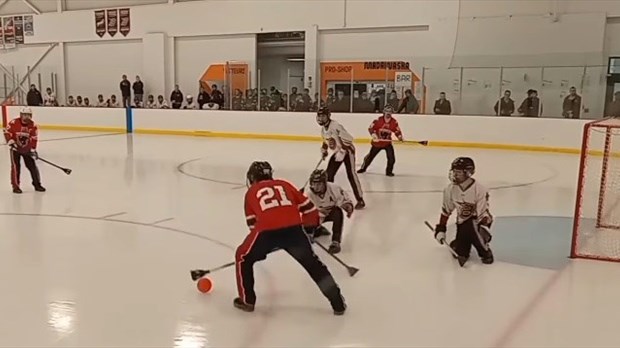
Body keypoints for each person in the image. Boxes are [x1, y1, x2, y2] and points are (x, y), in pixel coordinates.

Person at [235, 161, 346, 315]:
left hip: (266, 233)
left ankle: (247, 300)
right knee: (314, 265)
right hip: (294, 232)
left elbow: (253, 226)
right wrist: (308, 231)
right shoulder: (284, 185)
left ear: (252, 178)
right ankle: (338, 303)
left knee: (242, 256)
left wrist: (263, 249)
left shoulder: (251, 192)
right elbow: (311, 211)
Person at [433, 157, 493, 266]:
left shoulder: (479, 190)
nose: (455, 175)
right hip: (462, 222)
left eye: (459, 172)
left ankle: (485, 250)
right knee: (461, 252)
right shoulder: (450, 190)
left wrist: (483, 232)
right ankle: (460, 242)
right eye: (454, 171)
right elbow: (446, 210)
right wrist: (441, 228)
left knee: (472, 228)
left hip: (478, 222)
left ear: (468, 173)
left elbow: (482, 214)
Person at [317, 106, 365, 209]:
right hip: (338, 151)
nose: (321, 118)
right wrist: (324, 150)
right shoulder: (323, 129)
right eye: (319, 116)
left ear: (328, 116)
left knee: (351, 174)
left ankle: (360, 199)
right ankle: (329, 197)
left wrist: (343, 151)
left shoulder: (336, 126)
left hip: (347, 151)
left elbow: (348, 139)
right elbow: (326, 140)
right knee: (329, 174)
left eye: (323, 116)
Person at [306, 169, 354, 254]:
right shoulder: (308, 194)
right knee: (307, 226)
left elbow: (345, 199)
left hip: (329, 213)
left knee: (337, 212)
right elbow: (304, 212)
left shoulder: (334, 188)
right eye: (314, 183)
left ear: (324, 183)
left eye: (319, 184)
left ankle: (336, 241)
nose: (316, 187)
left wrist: (348, 206)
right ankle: (317, 230)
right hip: (315, 216)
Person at [4, 107, 45, 194]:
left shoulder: (33, 126)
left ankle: (37, 184)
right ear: (21, 115)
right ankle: (16, 186)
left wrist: (33, 149)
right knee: (16, 167)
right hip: (15, 149)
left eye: (28, 115)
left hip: (26, 149)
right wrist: (10, 141)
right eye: (24, 115)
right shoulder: (14, 123)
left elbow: (34, 138)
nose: (26, 117)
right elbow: (7, 132)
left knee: (32, 166)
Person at [357, 105, 403, 177]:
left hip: (387, 143)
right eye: (387, 112)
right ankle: (363, 168)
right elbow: (370, 128)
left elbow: (397, 130)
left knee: (391, 158)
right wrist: (373, 135)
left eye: (390, 112)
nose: (388, 113)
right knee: (370, 157)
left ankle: (389, 171)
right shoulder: (378, 120)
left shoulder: (394, 122)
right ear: (384, 112)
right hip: (377, 144)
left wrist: (399, 136)